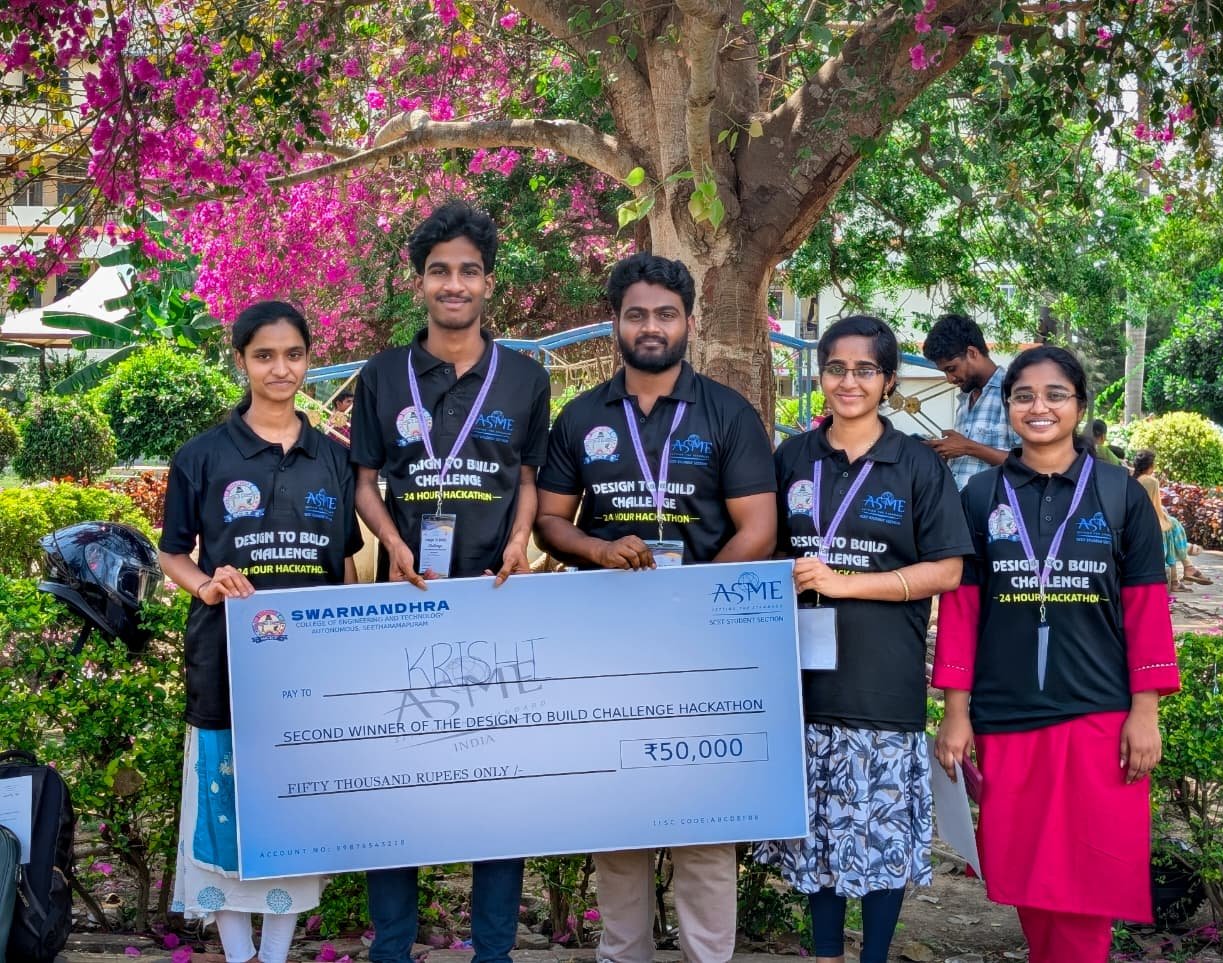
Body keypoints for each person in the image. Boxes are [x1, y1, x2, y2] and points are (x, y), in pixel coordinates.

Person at [535, 252, 776, 963]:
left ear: (688, 323)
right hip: (608, 647)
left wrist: (691, 599)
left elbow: (759, 529)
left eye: (665, 314)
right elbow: (550, 520)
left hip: (705, 645)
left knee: (704, 819)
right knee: (619, 814)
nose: (651, 326)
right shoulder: (581, 417)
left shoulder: (727, 413)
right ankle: (622, 954)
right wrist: (599, 548)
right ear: (615, 322)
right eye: (636, 314)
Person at [348, 201, 550, 963]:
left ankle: (493, 951)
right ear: (420, 282)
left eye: (468, 270)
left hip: (495, 604)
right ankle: (392, 948)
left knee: (497, 785)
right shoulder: (381, 376)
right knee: (400, 783)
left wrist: (521, 539)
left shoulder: (525, 377)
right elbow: (364, 481)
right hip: (407, 603)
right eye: (440, 271)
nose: (454, 284)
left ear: (488, 282)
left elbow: (528, 477)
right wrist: (396, 543)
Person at [932, 344, 1180, 963]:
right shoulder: (981, 495)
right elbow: (962, 610)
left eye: (1055, 395)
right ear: (1008, 406)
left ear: (1079, 405)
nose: (1038, 407)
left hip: (1099, 714)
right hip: (1007, 713)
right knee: (1028, 875)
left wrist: (1145, 710)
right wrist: (956, 712)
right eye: (1024, 396)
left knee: (1091, 878)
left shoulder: (1119, 493)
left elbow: (1145, 607)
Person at [755, 315, 971, 963]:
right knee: (817, 839)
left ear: (889, 380)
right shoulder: (792, 458)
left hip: (883, 681)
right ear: (820, 375)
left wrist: (844, 583)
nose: (849, 382)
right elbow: (761, 549)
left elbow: (947, 569)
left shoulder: (915, 464)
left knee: (883, 842)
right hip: (803, 682)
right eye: (836, 368)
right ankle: (826, 954)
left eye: (865, 369)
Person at [158, 300, 364, 963]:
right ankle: (238, 954)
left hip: (307, 674)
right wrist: (206, 586)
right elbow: (172, 553)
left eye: (293, 354)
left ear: (308, 359)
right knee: (225, 809)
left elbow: (344, 565)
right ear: (241, 360)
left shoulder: (334, 460)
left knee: (294, 811)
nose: (281, 369)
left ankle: (274, 955)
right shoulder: (201, 456)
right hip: (224, 662)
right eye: (265, 355)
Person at [921, 313, 1019, 490]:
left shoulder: (1014, 392)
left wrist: (967, 447)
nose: (950, 379)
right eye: (945, 372)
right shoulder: (966, 397)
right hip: (957, 503)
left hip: (997, 506)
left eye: (952, 369)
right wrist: (944, 452)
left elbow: (1030, 464)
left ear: (972, 353)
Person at [1131, 449, 1212, 590]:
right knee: (1171, 526)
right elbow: (1154, 507)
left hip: (1135, 521)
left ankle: (1177, 579)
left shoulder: (1132, 480)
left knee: (1169, 526)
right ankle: (1187, 567)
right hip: (1146, 522)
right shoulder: (1151, 481)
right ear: (1150, 465)